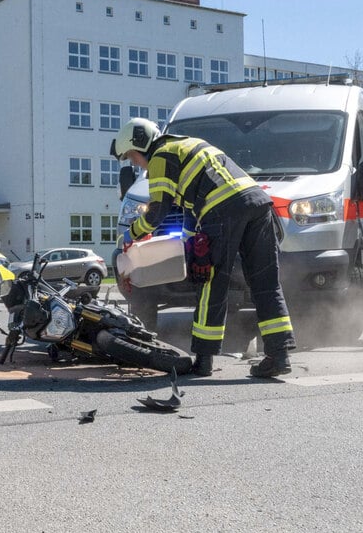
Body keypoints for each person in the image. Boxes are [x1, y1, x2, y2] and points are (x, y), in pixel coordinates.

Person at [111, 118, 295, 378]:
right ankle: (279, 355)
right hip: (259, 204)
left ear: (141, 144)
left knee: (210, 283)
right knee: (265, 283)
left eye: (132, 156)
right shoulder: (189, 145)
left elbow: (157, 211)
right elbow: (190, 208)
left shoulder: (161, 156)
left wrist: (130, 235)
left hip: (222, 210)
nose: (136, 163)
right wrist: (187, 246)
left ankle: (204, 360)